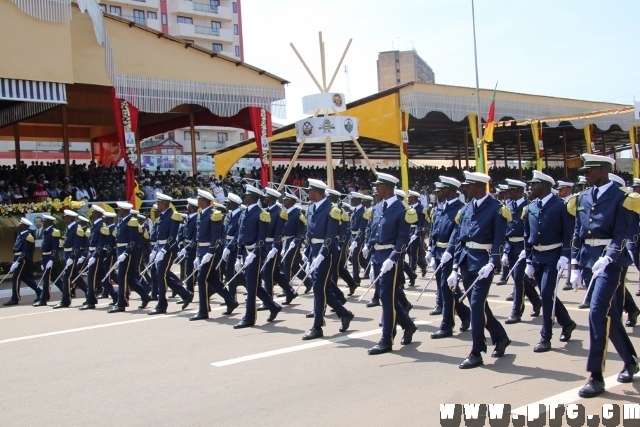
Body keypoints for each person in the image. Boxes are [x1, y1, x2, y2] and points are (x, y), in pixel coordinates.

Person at [571, 154, 638, 398]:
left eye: (589, 171)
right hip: (589, 260)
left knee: (597, 312)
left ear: (602, 171)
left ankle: (595, 376)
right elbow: (578, 231)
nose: (585, 175)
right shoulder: (583, 196)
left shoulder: (622, 197)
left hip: (611, 262)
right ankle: (631, 360)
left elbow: (622, 233)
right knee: (609, 314)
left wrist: (609, 256)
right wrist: (575, 265)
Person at [446, 171, 511, 369]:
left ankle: (476, 351)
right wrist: (455, 268)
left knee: (476, 303)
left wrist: (493, 263)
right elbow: (460, 240)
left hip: (484, 262)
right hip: (467, 261)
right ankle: (500, 337)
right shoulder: (466, 209)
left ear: (479, 187)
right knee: (480, 305)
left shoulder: (496, 209)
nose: (466, 189)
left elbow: (500, 240)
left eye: (469, 185)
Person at [522, 171, 575, 354]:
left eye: (533, 184)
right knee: (547, 293)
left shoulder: (560, 206)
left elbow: (569, 234)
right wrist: (528, 258)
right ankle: (567, 322)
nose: (530, 187)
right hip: (537, 257)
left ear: (543, 186)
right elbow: (527, 234)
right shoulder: (531, 207)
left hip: (554, 256)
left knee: (545, 293)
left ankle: (545, 336)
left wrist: (565, 256)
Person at [366, 173, 417, 354]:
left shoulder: (401, 209)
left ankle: (386, 339)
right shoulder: (378, 207)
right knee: (386, 297)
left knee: (386, 300)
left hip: (390, 259)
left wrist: (394, 258)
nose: (376, 189)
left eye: (378, 186)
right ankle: (408, 325)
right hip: (378, 257)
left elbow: (403, 238)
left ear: (386, 187)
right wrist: (368, 247)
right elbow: (372, 231)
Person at [302, 179, 354, 341]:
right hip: (314, 252)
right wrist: (308, 252)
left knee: (319, 288)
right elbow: (309, 233)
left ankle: (317, 326)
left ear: (317, 192)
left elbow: (331, 236)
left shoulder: (332, 209)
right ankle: (344, 313)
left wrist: (321, 255)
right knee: (322, 289)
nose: (308, 192)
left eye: (310, 190)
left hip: (327, 254)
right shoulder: (311, 208)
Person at [231, 185, 282, 329]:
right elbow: (240, 236)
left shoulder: (261, 213)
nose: (244, 197)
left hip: (256, 253)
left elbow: (261, 238)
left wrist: (253, 253)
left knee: (251, 285)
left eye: (246, 195)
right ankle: (273, 306)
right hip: (246, 252)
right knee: (253, 284)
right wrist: (239, 257)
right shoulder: (244, 213)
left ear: (252, 197)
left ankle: (249, 317)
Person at [428, 176, 471, 339]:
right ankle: (466, 314)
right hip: (439, 253)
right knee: (447, 288)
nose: (438, 192)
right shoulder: (440, 208)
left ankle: (446, 325)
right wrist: (431, 250)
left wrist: (450, 253)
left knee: (446, 290)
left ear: (451, 190)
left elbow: (457, 233)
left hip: (450, 254)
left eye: (442, 189)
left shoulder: (460, 208)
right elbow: (434, 229)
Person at [189, 189, 238, 321]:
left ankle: (203, 310)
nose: (198, 201)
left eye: (200, 199)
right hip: (203, 251)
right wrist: (198, 255)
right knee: (212, 280)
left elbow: (216, 236)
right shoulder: (201, 214)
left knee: (201, 278)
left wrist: (210, 252)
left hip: (211, 252)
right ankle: (230, 301)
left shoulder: (214, 214)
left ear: (205, 201)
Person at [147, 193, 193, 315]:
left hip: (168, 250)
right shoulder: (162, 216)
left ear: (163, 204)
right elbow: (158, 237)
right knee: (163, 275)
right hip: (161, 249)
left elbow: (172, 237)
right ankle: (186, 294)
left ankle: (162, 304)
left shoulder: (173, 216)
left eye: (158, 203)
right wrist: (155, 250)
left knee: (160, 275)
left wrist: (163, 250)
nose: (157, 205)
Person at [503, 179, 541, 325]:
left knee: (519, 279)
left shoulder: (528, 206)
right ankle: (537, 301)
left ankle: (516, 311)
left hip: (523, 247)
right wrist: (506, 251)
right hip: (511, 246)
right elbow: (506, 229)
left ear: (519, 192)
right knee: (519, 278)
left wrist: (527, 249)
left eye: (511, 191)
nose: (508, 193)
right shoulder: (508, 206)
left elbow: (530, 230)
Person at [107, 202, 151, 313]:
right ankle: (145, 296)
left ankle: (122, 303)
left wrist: (126, 252)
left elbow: (133, 240)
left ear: (124, 211)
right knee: (130, 279)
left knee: (122, 276)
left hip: (128, 253)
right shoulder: (123, 221)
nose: (118, 212)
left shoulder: (131, 221)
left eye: (119, 210)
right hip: (122, 251)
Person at [260, 188, 298, 305]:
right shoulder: (267, 211)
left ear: (270, 199)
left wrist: (275, 247)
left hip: (273, 245)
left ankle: (268, 300)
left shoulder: (279, 212)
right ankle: (289, 291)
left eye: (266, 196)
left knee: (267, 272)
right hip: (265, 245)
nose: (264, 198)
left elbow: (278, 231)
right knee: (274, 272)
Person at [3, 218, 41, 306]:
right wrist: (14, 260)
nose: (19, 225)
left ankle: (15, 298)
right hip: (17, 257)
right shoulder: (20, 234)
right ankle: (40, 292)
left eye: (21, 224)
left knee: (15, 278)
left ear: (24, 226)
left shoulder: (28, 236)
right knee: (25, 278)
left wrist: (18, 261)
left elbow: (25, 250)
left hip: (22, 259)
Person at [79, 206, 110, 310]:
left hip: (97, 255)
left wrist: (95, 255)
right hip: (93, 254)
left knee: (91, 277)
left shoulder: (101, 225)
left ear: (96, 214)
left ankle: (91, 301)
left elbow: (100, 244)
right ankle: (116, 296)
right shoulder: (96, 225)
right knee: (101, 278)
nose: (91, 215)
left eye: (93, 213)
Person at [53, 210, 83, 309]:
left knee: (66, 277)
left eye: (66, 217)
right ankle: (89, 294)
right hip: (68, 255)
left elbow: (76, 245)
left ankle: (65, 301)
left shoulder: (76, 228)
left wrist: (72, 257)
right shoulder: (69, 228)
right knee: (75, 277)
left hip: (71, 256)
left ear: (70, 218)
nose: (64, 219)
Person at [34, 214, 61, 307]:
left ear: (49, 222)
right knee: (54, 278)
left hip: (49, 258)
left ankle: (43, 299)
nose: (43, 223)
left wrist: (52, 259)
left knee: (46, 279)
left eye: (45, 222)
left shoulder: (54, 232)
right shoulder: (47, 232)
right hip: (45, 258)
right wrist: (42, 261)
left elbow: (55, 248)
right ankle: (67, 291)